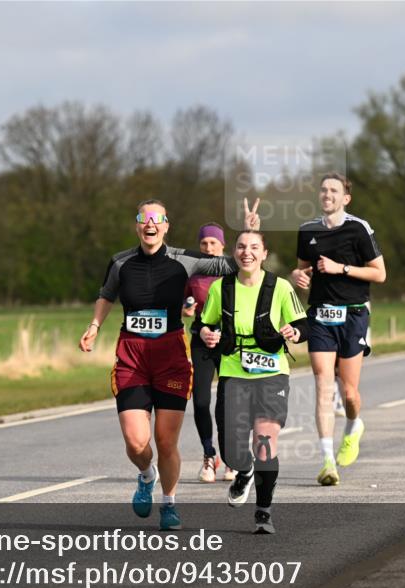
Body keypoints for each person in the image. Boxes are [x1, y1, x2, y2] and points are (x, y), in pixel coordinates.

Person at [79, 199, 258, 530]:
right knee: (136, 442)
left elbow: (232, 265)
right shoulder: (120, 262)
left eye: (156, 219)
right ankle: (147, 475)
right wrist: (94, 326)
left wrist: (249, 232)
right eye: (144, 219)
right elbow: (106, 294)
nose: (150, 225)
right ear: (137, 225)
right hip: (132, 358)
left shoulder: (184, 260)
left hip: (171, 357)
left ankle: (169, 504)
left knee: (165, 441)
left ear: (165, 225)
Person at [199, 230, 309, 534]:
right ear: (234, 252)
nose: (247, 252)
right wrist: (207, 335)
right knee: (231, 451)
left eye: (254, 247)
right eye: (241, 247)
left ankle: (263, 511)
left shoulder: (280, 287)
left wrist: (296, 333)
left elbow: (303, 323)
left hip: (272, 373)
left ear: (263, 253)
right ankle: (243, 471)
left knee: (264, 443)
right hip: (234, 373)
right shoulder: (222, 288)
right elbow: (204, 325)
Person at [290, 173, 386, 486]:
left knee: (349, 392)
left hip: (354, 314)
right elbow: (302, 268)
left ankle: (355, 424)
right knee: (322, 383)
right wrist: (299, 277)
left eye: (334, 190)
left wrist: (340, 268)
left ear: (346, 198)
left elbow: (379, 273)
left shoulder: (359, 228)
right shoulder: (307, 231)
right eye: (324, 189)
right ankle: (328, 461)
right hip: (320, 315)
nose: (327, 194)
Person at [182, 223, 235, 483]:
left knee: (226, 404)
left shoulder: (232, 271)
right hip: (201, 339)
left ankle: (229, 458)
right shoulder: (193, 273)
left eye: (213, 243)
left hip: (229, 341)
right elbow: (184, 302)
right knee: (201, 401)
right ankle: (208, 455)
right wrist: (187, 308)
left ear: (223, 245)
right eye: (204, 243)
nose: (208, 247)